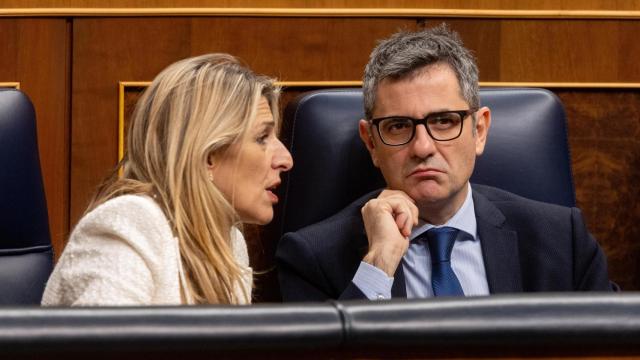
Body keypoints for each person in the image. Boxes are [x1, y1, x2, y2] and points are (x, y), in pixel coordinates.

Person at [276, 24, 615, 301]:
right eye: (398, 126)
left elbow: (612, 348)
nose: (423, 147)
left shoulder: (561, 239)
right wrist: (379, 263)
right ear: (371, 143)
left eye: (443, 121)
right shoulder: (314, 257)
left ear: (479, 130)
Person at [43, 53, 293, 305]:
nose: (286, 160)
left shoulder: (229, 241)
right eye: (262, 138)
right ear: (207, 156)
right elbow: (101, 342)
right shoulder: (131, 223)